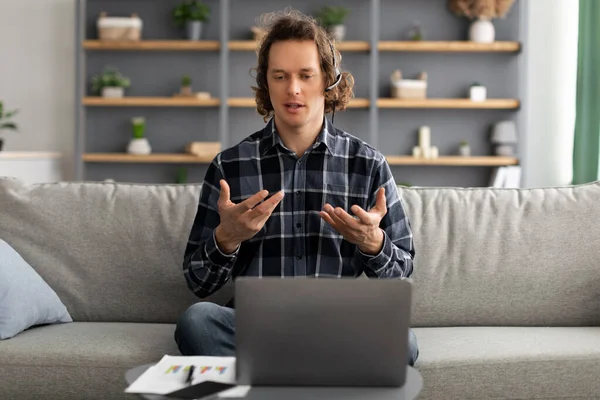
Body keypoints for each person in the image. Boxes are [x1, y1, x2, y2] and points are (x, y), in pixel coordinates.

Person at [174, 9, 419, 366]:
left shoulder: (368, 165)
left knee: (404, 342)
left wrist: (373, 243)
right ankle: (316, 371)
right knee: (195, 322)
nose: (293, 89)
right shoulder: (229, 166)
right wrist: (226, 239)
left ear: (328, 81)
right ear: (266, 83)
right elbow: (197, 281)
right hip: (256, 326)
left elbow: (403, 275)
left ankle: (279, 370)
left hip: (338, 325)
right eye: (280, 76)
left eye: (306, 75)